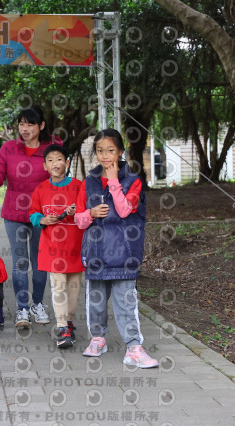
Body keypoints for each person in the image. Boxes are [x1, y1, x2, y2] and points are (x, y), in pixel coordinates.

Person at [74, 128, 158, 368]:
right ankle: (98, 339)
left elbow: (124, 211)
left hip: (124, 254)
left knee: (125, 302)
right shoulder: (88, 182)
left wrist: (113, 182)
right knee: (96, 301)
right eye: (100, 151)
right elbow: (79, 221)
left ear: (120, 151)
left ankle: (133, 348)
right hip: (96, 253)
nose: (105, 155)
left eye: (110, 150)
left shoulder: (133, 181)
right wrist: (91, 213)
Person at [0, 106, 62, 328]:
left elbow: (59, 170)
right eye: (21, 124)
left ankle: (38, 304)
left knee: (39, 262)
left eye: (30, 124)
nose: (25, 129)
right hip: (14, 214)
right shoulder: (9, 148)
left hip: (42, 215)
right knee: (20, 262)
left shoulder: (51, 148)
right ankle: (22, 309)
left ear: (41, 126)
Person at [29, 144, 84, 348]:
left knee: (74, 288)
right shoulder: (41, 189)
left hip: (76, 247)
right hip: (52, 248)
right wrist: (42, 220)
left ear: (67, 163)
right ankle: (62, 327)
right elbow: (33, 213)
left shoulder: (79, 186)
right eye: (50, 160)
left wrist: (77, 211)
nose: (55, 163)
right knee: (58, 286)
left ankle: (69, 322)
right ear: (45, 166)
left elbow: (87, 212)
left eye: (59, 159)